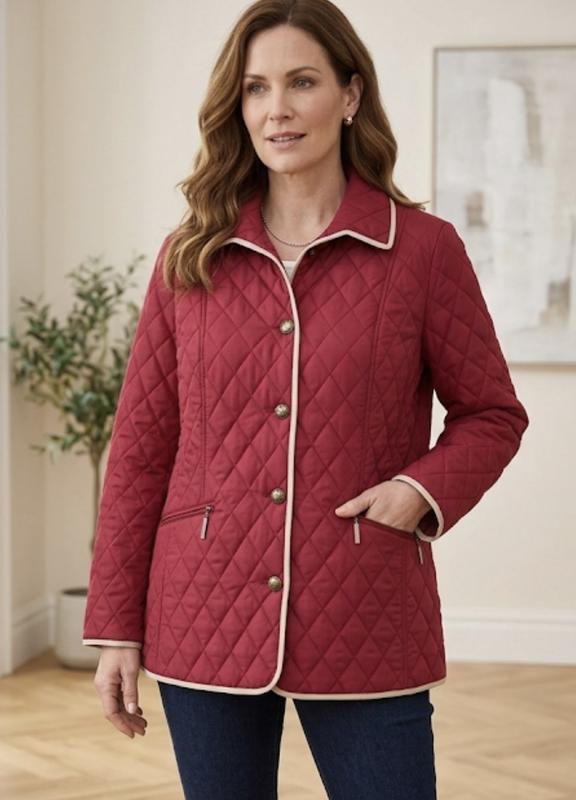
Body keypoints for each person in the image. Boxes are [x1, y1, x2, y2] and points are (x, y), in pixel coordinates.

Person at [82, 0, 529, 797]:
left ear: (350, 95)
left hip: (365, 605)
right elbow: (142, 448)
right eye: (256, 88)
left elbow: (492, 414)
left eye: (302, 82)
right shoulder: (190, 256)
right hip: (204, 607)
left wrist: (416, 490)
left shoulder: (422, 251)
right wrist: (115, 625)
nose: (277, 108)